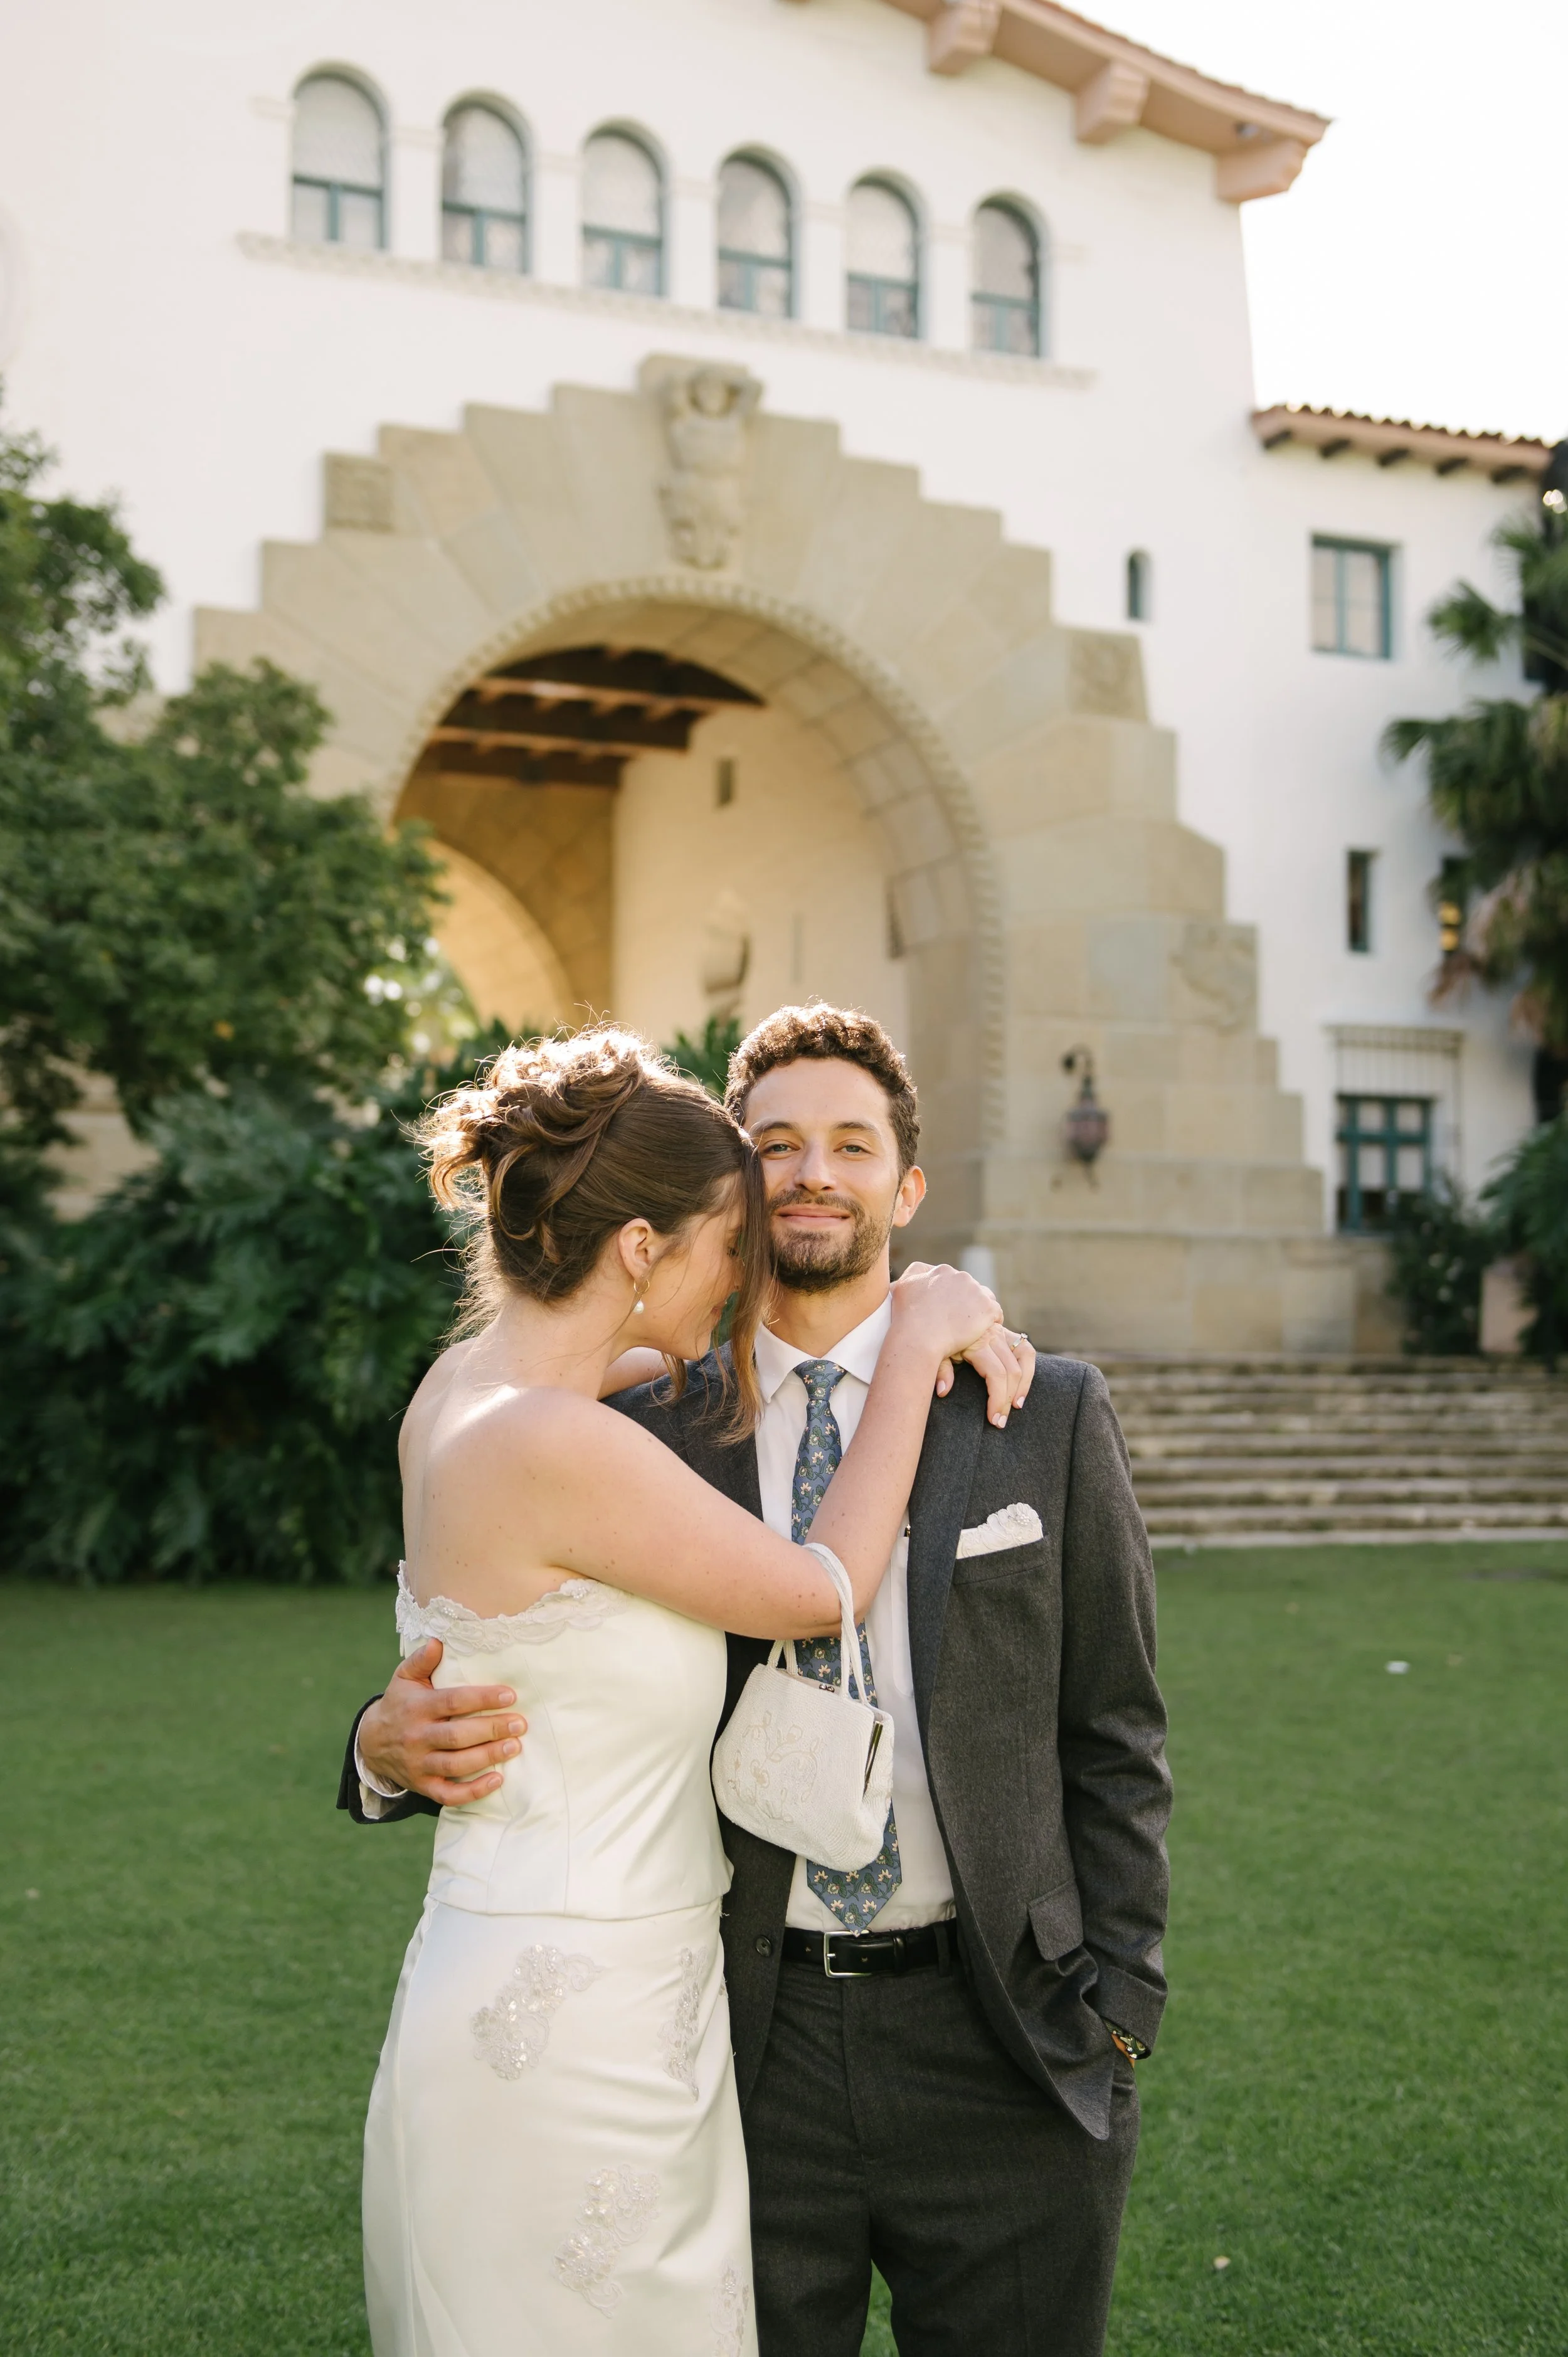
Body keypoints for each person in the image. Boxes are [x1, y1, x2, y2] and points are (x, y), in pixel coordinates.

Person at [345, 1005, 1171, 2357]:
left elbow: (1115, 1723)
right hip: (740, 2043)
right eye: (774, 1144)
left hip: (1004, 2041)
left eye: (852, 1144)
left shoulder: (1043, 1410)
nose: (809, 1173)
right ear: (721, 1187)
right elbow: (481, 1634)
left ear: (904, 1185)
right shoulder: (624, 1420)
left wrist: (1118, 2001)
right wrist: (382, 1741)